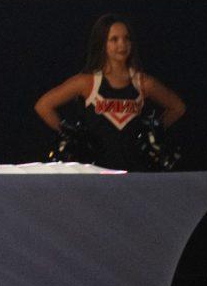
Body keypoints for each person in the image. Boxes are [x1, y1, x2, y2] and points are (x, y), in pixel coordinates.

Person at [34, 13, 186, 170]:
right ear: (102, 44)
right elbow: (43, 105)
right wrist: (72, 136)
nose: (122, 44)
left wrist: (153, 132)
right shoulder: (87, 82)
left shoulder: (143, 83)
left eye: (127, 39)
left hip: (134, 171)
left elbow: (178, 107)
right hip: (95, 172)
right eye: (114, 39)